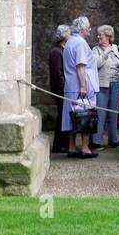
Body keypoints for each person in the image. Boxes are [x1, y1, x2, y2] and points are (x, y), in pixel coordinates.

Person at [61, 17, 98, 159]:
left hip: (70, 85)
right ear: (82, 29)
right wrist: (83, 86)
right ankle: (85, 147)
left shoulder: (69, 42)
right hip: (80, 86)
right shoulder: (81, 43)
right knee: (85, 116)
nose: (90, 29)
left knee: (72, 118)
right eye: (88, 27)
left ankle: (71, 146)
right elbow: (81, 65)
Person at [91, 25, 119, 148]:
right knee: (100, 114)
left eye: (101, 35)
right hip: (102, 85)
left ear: (108, 36)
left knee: (113, 113)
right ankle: (96, 141)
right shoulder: (95, 50)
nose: (98, 37)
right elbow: (95, 65)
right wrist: (105, 53)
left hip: (116, 85)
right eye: (98, 34)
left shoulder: (118, 49)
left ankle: (113, 139)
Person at [49, 25, 71, 154]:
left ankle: (64, 143)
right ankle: (59, 145)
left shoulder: (63, 49)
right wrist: (65, 88)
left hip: (63, 90)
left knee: (64, 117)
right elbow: (57, 74)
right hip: (60, 91)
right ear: (63, 35)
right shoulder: (56, 52)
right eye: (68, 33)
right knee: (62, 117)